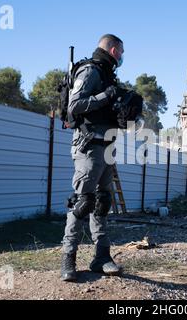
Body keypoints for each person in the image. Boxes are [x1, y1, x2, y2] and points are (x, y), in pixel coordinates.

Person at [60, 34, 124, 282]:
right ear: (112, 49)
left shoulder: (107, 73)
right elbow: (74, 106)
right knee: (82, 202)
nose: (122, 56)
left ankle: (101, 257)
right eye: (121, 51)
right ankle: (68, 258)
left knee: (103, 201)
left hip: (106, 145)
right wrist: (106, 97)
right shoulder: (90, 70)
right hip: (88, 145)